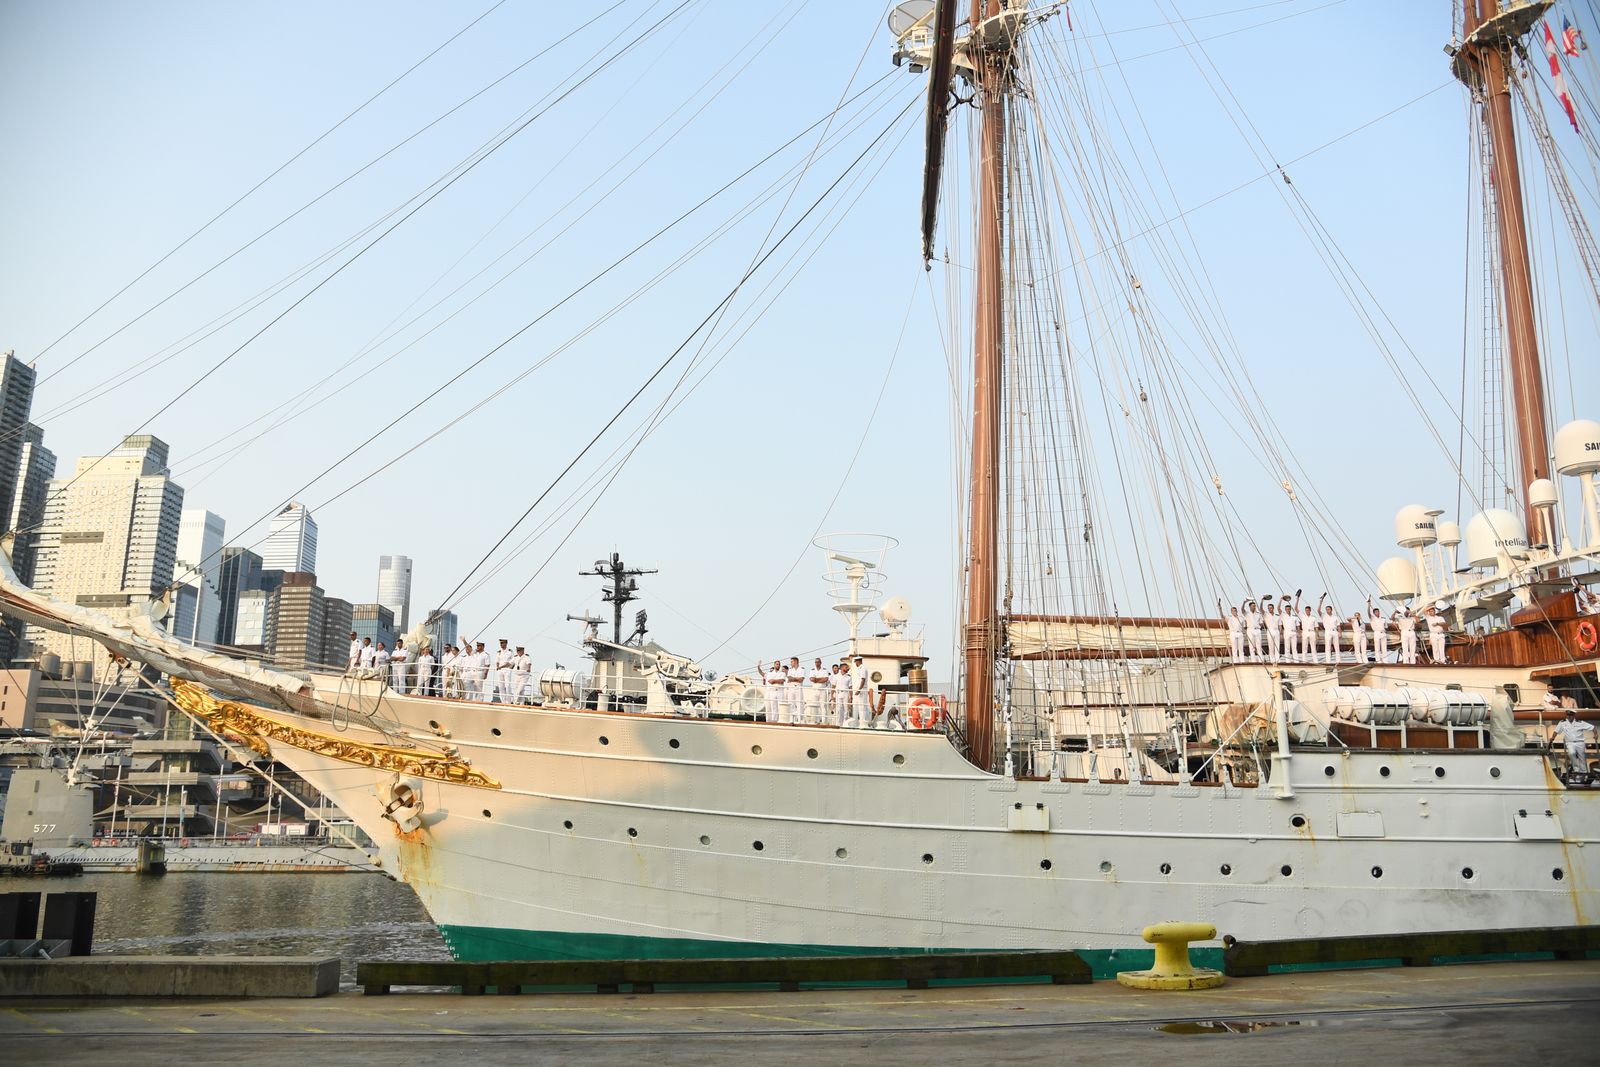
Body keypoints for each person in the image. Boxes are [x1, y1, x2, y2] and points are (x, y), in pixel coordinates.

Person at [1552, 709, 1595, 776]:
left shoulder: (1580, 723)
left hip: (1580, 742)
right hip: (1570, 743)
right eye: (1567, 715)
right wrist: (1552, 738)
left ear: (1574, 715)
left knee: (1582, 757)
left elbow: (1592, 727)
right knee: (1571, 753)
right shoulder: (1562, 723)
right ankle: (1576, 769)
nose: (1569, 716)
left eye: (1570, 715)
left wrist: (1596, 734)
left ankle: (1583, 772)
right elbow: (1556, 731)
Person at [806, 657, 829, 724]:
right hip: (815, 690)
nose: (817, 663)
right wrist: (820, 679)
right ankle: (816, 720)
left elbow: (826, 679)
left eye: (818, 662)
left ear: (820, 663)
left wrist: (816, 680)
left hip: (822, 690)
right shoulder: (812, 670)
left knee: (823, 706)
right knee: (815, 705)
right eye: (816, 662)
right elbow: (812, 679)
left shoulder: (824, 670)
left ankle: (824, 721)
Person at [492, 639, 515, 703]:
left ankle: (508, 701)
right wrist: (497, 667)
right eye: (500, 643)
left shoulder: (510, 652)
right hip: (500, 670)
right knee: (501, 685)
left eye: (502, 643)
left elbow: (513, 662)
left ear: (506, 643)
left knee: (507, 685)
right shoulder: (499, 652)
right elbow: (497, 661)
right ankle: (503, 701)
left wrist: (510, 669)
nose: (501, 645)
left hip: (507, 669)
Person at [1319, 596, 1340, 664]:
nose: (1328, 610)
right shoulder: (1324, 616)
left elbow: (1338, 625)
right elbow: (1318, 610)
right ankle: (1328, 661)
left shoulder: (1335, 617)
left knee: (1336, 646)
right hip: (1328, 631)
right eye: (1327, 609)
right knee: (1327, 646)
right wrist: (1321, 601)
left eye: (1329, 609)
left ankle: (1338, 660)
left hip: (1334, 631)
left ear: (1331, 610)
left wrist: (1340, 632)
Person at [850, 655, 870, 726]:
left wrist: (859, 689)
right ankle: (863, 721)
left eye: (856, 662)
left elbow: (863, 679)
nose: (855, 663)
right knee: (860, 706)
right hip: (860, 689)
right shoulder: (859, 668)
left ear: (859, 661)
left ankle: (863, 722)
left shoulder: (863, 668)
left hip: (862, 689)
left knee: (862, 707)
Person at [784, 656, 805, 725]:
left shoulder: (802, 669)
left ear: (796, 661)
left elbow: (801, 679)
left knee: (799, 703)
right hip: (791, 687)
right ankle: (791, 719)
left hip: (798, 687)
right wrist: (796, 679)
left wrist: (793, 678)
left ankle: (799, 720)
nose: (791, 663)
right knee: (791, 703)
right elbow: (789, 678)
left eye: (792, 661)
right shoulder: (790, 670)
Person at [1281, 595, 1299, 661]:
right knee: (1287, 647)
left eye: (1289, 609)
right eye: (1287, 609)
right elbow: (1278, 608)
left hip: (1294, 632)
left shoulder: (1294, 616)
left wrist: (1299, 632)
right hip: (1287, 632)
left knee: (1294, 647)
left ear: (1290, 609)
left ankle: (1296, 660)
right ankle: (1287, 661)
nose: (1288, 610)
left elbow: (1298, 625)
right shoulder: (1283, 615)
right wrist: (1281, 600)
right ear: (1285, 610)